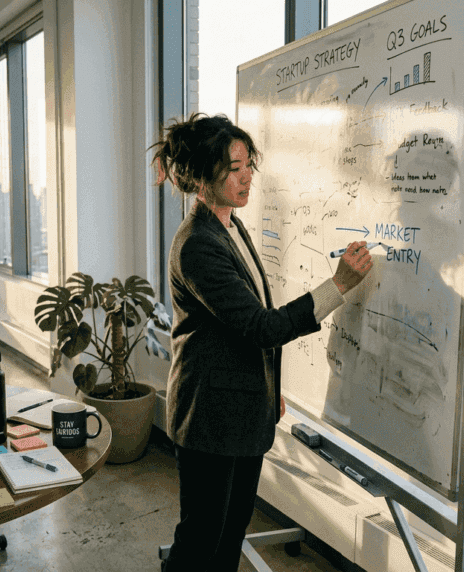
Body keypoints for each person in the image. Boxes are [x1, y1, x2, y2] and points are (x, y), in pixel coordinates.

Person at [152, 113, 374, 572]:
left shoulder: (230, 226)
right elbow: (262, 327)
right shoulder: (197, 244)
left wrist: (270, 394)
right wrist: (339, 286)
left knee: (230, 537)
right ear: (202, 175)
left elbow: (245, 333)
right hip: (211, 419)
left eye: (248, 163)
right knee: (199, 546)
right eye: (234, 168)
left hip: (242, 413)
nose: (247, 174)